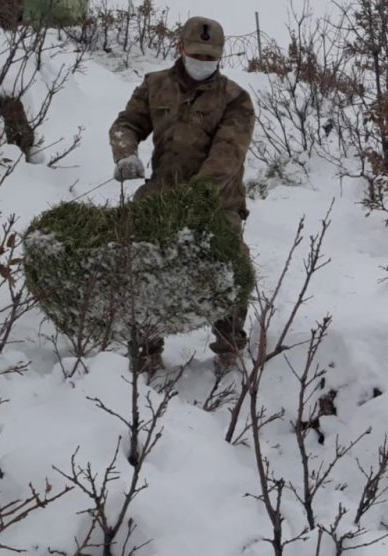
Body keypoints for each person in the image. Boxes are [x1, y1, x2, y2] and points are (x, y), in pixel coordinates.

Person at [108, 16, 255, 372]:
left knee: (231, 266)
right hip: (162, 194)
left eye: (210, 57)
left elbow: (228, 154)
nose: (203, 62)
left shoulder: (235, 99)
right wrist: (126, 154)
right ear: (181, 48)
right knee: (141, 262)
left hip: (217, 199)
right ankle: (146, 348)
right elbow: (127, 124)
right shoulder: (155, 85)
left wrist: (196, 197)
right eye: (197, 55)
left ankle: (229, 347)